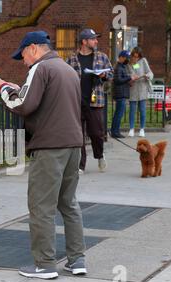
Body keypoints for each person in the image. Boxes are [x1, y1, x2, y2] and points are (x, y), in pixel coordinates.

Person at [0, 30, 87, 279]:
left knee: (41, 206)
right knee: (69, 203)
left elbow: (22, 105)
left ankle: (44, 264)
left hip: (49, 147)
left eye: (23, 55)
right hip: (73, 144)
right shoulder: (67, 69)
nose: (23, 61)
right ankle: (77, 260)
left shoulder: (40, 69)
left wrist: (3, 89)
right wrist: (19, 88)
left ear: (33, 48)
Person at [66, 29, 113, 174]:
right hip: (76, 102)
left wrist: (104, 75)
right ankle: (80, 165)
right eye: (93, 39)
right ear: (84, 42)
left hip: (95, 101)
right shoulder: (71, 58)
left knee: (96, 133)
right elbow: (64, 76)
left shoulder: (102, 57)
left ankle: (99, 155)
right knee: (77, 135)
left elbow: (111, 73)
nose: (96, 41)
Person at [111, 50, 139, 138]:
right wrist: (129, 78)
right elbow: (118, 80)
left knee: (118, 113)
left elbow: (122, 79)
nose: (128, 59)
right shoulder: (118, 67)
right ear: (121, 57)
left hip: (122, 92)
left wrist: (129, 81)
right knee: (119, 114)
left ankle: (115, 131)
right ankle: (115, 132)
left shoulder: (122, 66)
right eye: (126, 58)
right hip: (120, 94)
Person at [128, 47, 153, 138]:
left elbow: (150, 72)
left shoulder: (143, 61)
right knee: (132, 111)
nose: (136, 58)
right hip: (133, 88)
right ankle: (131, 129)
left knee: (142, 110)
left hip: (142, 88)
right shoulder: (129, 63)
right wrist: (131, 78)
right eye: (134, 56)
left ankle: (142, 129)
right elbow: (128, 74)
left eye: (137, 57)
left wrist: (147, 76)